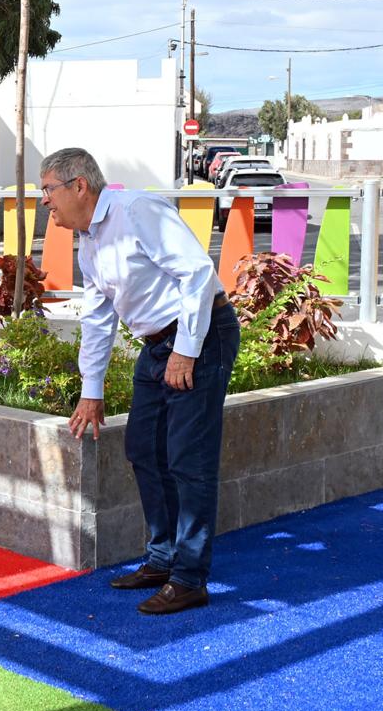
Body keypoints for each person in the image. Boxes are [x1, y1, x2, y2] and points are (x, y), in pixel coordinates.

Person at [44, 147, 240, 615]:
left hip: (199, 334)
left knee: (188, 459)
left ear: (79, 186)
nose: (44, 200)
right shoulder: (90, 242)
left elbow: (197, 272)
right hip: (156, 345)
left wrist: (185, 350)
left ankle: (189, 578)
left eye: (48, 189)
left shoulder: (137, 210)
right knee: (143, 449)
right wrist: (91, 391)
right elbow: (98, 319)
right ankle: (162, 558)